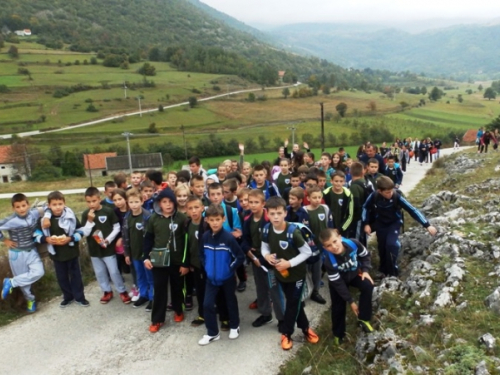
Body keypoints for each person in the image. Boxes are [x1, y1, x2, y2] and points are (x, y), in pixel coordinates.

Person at [261, 196, 319, 350]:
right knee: (295, 302)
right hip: (280, 274)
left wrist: (289, 263)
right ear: (267, 213)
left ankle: (286, 333)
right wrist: (266, 256)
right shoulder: (267, 229)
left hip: (297, 275)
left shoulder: (293, 232)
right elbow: (264, 247)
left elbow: (306, 253)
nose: (276, 217)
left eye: (279, 213)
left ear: (285, 213)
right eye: (272, 213)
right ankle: (306, 328)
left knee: (292, 303)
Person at [362, 176, 437, 278]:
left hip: (394, 223)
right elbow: (365, 207)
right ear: (380, 191)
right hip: (380, 224)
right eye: (387, 192)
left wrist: (427, 225)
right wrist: (366, 223)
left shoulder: (397, 197)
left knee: (392, 245)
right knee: (382, 247)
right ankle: (383, 271)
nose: (390, 194)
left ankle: (393, 272)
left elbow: (412, 210)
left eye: (391, 191)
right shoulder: (374, 196)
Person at [198, 204, 245, 345]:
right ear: (207, 220)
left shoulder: (228, 238)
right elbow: (201, 254)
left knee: (230, 302)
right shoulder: (205, 237)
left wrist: (229, 269)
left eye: (217, 219)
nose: (215, 223)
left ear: (223, 219)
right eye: (211, 220)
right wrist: (206, 267)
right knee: (207, 305)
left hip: (227, 278)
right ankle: (212, 333)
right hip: (211, 278)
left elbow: (240, 257)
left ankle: (234, 326)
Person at [35, 191, 91, 308]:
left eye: (60, 204)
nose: (58, 207)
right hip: (56, 254)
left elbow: (80, 231)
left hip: (71, 252)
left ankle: (80, 297)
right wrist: (47, 239)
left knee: (76, 275)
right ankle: (67, 297)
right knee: (62, 277)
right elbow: (36, 234)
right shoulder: (44, 220)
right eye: (54, 204)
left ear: (64, 204)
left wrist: (70, 238)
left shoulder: (70, 216)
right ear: (49, 206)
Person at [319, 228, 374, 345]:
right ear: (325, 248)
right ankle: (338, 334)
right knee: (338, 307)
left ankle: (364, 318)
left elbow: (365, 255)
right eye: (328, 246)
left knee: (367, 285)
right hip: (338, 282)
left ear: (339, 237)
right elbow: (338, 284)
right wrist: (351, 301)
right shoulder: (329, 260)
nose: (333, 246)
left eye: (335, 241)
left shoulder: (353, 243)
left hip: (354, 274)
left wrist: (365, 270)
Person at [143, 188, 188, 333]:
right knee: (159, 290)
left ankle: (178, 310)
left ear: (174, 203)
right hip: (159, 261)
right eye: (164, 202)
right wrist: (146, 258)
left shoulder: (181, 218)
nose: (168, 205)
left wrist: (185, 263)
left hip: (177, 261)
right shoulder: (153, 219)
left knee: (177, 287)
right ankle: (157, 319)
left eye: (170, 202)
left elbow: (187, 242)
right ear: (159, 204)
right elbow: (148, 239)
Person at [81, 187, 131, 304]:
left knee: (114, 271)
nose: (91, 204)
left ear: (99, 199)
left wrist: (108, 240)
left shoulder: (108, 211)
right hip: (94, 250)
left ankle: (122, 291)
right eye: (88, 202)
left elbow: (116, 227)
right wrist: (89, 221)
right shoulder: (85, 214)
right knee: (100, 272)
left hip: (108, 249)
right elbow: (85, 232)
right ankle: (107, 291)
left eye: (94, 201)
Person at [242, 189, 284, 327]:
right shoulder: (247, 219)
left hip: (269, 261)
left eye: (256, 202)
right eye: (250, 202)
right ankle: (266, 314)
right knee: (260, 287)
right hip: (256, 260)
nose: (253, 205)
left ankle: (282, 319)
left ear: (263, 203)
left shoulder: (269, 219)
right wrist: (252, 256)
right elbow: (245, 241)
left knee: (274, 289)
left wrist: (265, 258)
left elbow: (276, 242)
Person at [1, 194, 45, 313]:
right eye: (18, 207)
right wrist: (4, 240)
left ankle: (11, 282)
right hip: (17, 254)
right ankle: (30, 300)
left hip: (32, 251)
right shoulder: (11, 220)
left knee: (39, 272)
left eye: (24, 205)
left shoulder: (34, 213)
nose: (22, 209)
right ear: (13, 208)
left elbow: (48, 206)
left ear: (28, 205)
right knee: (25, 284)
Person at [123, 188, 153, 311]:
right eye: (131, 202)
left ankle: (153, 297)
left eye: (136, 202)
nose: (134, 205)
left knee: (150, 277)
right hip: (134, 254)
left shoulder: (147, 216)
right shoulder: (127, 217)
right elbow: (125, 236)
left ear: (142, 201)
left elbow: (152, 236)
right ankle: (144, 295)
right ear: (127, 203)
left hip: (147, 255)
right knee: (140, 276)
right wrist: (126, 254)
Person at [303, 186, 332, 305]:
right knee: (304, 271)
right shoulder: (304, 211)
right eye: (314, 197)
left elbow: (330, 226)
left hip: (320, 246)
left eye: (319, 197)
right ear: (308, 198)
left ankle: (315, 291)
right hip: (307, 246)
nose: (317, 200)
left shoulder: (325, 209)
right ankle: (303, 294)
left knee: (317, 269)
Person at [185, 196, 207, 327]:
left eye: (196, 207)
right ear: (186, 211)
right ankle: (202, 314)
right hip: (195, 264)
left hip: (207, 264)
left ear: (202, 208)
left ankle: (219, 312)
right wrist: (188, 263)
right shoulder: (187, 224)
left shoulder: (206, 224)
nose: (194, 211)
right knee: (199, 290)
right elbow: (187, 246)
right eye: (190, 208)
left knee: (212, 289)